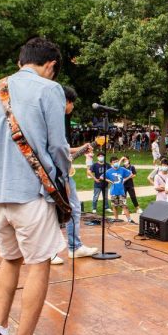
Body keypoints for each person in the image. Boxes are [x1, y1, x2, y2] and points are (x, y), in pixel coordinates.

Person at [0, 37, 69, 335]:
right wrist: (63, 179)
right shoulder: (50, 89)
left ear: (20, 62)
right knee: (39, 262)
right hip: (30, 191)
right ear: (51, 66)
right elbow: (58, 145)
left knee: (9, 259)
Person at [52, 86, 97, 264]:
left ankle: (74, 247)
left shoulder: (59, 119)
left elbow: (60, 147)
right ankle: (49, 252)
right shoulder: (53, 119)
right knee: (52, 212)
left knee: (74, 209)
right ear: (67, 102)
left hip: (63, 173)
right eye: (73, 104)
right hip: (56, 173)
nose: (72, 108)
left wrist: (80, 148)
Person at [105, 156, 134, 223]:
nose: (116, 163)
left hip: (121, 191)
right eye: (114, 162)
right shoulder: (109, 171)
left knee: (124, 206)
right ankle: (116, 219)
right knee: (114, 206)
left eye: (117, 161)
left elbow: (131, 174)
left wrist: (125, 179)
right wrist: (109, 181)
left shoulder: (122, 169)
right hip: (113, 192)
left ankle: (129, 219)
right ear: (111, 163)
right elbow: (101, 177)